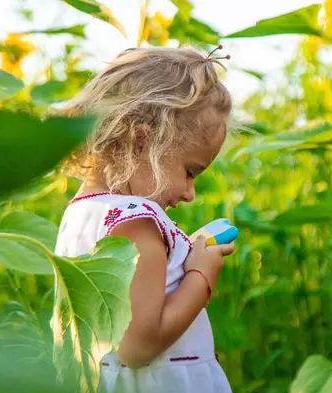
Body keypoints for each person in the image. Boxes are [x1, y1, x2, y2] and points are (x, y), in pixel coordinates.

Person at [54, 46, 236, 393]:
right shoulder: (138, 220)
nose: (189, 193)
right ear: (141, 141)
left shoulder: (79, 213)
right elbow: (139, 346)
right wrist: (201, 275)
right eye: (189, 171)